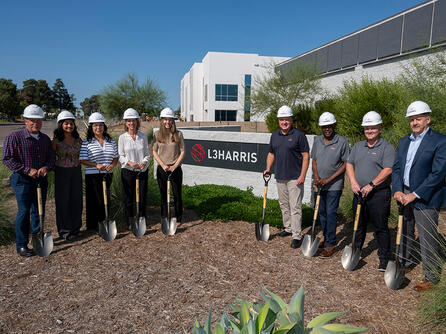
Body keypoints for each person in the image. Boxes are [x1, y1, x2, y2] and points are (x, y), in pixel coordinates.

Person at [392, 101, 446, 291]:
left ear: (427, 119)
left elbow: (438, 174)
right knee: (405, 231)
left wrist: (414, 195)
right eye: (412, 119)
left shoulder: (440, 141)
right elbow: (397, 168)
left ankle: (431, 277)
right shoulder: (404, 141)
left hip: (426, 197)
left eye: (418, 118)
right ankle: (403, 264)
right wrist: (397, 190)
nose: (414, 122)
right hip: (404, 193)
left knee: (426, 237)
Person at [2, 104, 55, 257]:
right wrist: (27, 170)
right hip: (22, 180)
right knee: (24, 211)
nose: (35, 123)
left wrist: (46, 167)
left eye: (38, 120)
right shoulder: (15, 137)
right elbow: (7, 158)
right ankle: (21, 244)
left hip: (40, 180)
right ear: (25, 120)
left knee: (38, 210)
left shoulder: (44, 139)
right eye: (31, 120)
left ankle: (38, 238)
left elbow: (51, 157)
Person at [346, 111, 395, 271]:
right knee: (358, 225)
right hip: (359, 193)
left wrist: (371, 185)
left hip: (378, 194)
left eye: (373, 128)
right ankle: (356, 252)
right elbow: (349, 164)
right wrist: (353, 182)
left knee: (381, 226)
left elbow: (388, 170)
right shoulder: (359, 146)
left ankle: (384, 258)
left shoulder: (386, 147)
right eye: (367, 128)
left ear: (379, 128)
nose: (369, 131)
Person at [264, 105, 310, 248]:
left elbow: (306, 156)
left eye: (287, 119)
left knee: (295, 207)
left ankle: (297, 235)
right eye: (282, 119)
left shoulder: (299, 135)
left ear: (291, 120)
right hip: (280, 176)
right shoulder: (275, 135)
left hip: (295, 177)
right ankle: (288, 228)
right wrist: (268, 168)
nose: (284, 122)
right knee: (284, 204)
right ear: (279, 120)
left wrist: (303, 175)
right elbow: (271, 154)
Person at [311, 112, 349, 258]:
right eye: (324, 127)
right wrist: (316, 176)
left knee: (331, 213)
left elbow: (346, 164)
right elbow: (314, 160)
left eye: (329, 126)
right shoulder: (317, 140)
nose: (327, 129)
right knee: (321, 213)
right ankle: (326, 239)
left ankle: (331, 244)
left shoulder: (342, 141)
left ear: (334, 126)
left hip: (334, 185)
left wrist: (329, 179)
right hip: (319, 183)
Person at [80, 112, 118, 231]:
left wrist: (112, 165)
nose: (98, 128)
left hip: (107, 174)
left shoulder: (110, 140)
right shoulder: (87, 141)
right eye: (95, 125)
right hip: (92, 175)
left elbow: (116, 156)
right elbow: (82, 159)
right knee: (93, 199)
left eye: (100, 125)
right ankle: (92, 226)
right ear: (91, 127)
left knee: (105, 198)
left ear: (104, 126)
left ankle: (104, 222)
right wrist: (96, 165)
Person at [52, 110, 83, 240]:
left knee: (76, 200)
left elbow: (82, 155)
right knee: (63, 201)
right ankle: (65, 230)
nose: (69, 126)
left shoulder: (77, 139)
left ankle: (75, 228)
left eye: (71, 123)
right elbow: (51, 157)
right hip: (61, 172)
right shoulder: (56, 140)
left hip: (76, 171)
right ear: (60, 125)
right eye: (66, 124)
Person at [118, 108, 150, 229]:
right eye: (129, 121)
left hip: (142, 171)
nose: (131, 123)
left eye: (133, 120)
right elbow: (120, 155)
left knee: (141, 196)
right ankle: (129, 220)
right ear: (125, 123)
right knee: (129, 196)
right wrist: (129, 163)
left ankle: (141, 219)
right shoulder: (122, 138)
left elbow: (147, 154)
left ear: (137, 121)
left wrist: (144, 163)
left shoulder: (143, 136)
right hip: (128, 171)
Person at [152, 107, 185, 223]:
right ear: (162, 120)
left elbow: (183, 151)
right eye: (165, 120)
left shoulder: (178, 134)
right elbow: (154, 151)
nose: (167, 122)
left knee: (177, 193)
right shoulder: (157, 134)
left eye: (170, 119)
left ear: (173, 121)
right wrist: (163, 165)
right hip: (162, 168)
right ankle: (165, 216)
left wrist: (175, 166)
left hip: (175, 168)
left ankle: (178, 216)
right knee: (163, 194)